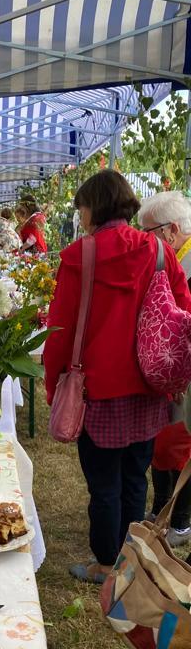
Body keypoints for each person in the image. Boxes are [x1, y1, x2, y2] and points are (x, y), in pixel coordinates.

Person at [44, 170, 191, 584]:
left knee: (103, 483)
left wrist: (54, 385)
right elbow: (182, 316)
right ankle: (131, 561)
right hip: (148, 389)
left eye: (82, 207)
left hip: (98, 390)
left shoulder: (79, 256)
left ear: (93, 207)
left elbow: (60, 330)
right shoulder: (160, 252)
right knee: (135, 478)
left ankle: (107, 564)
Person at [139, 190, 191, 545]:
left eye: (149, 233)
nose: (144, 241)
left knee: (179, 443)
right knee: (166, 441)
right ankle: (163, 511)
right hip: (174, 369)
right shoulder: (175, 257)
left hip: (184, 370)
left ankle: (180, 522)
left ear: (171, 231)